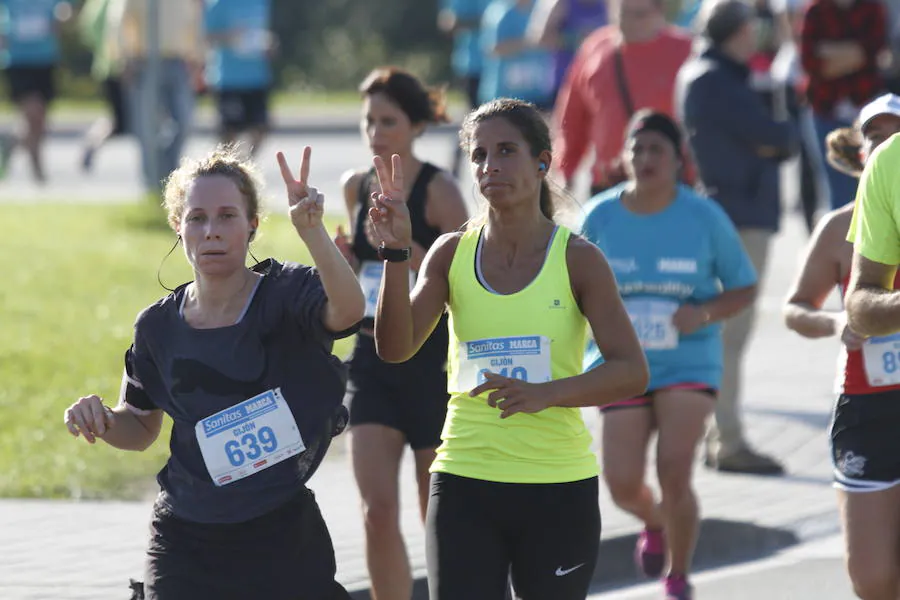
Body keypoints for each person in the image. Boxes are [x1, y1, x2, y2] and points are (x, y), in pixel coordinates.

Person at [370, 97, 650, 599]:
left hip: (557, 486)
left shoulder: (579, 260)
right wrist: (394, 254)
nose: (489, 166)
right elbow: (395, 348)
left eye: (505, 151)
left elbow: (631, 370)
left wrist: (546, 393)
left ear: (542, 161)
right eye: (478, 155)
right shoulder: (450, 253)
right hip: (464, 480)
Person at [62, 145, 364, 600]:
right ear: (177, 227)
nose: (211, 231)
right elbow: (141, 426)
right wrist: (101, 418)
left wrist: (312, 231)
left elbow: (348, 312)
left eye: (227, 216)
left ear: (252, 225)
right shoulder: (156, 326)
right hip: (185, 536)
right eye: (197, 218)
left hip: (279, 529)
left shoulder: (286, 294)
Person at [581, 110, 757, 600]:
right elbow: (570, 282)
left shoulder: (703, 216)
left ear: (678, 160)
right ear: (624, 157)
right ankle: (655, 520)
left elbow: (743, 286)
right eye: (637, 149)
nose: (646, 158)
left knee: (674, 467)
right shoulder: (599, 215)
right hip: (618, 363)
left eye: (657, 149)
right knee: (619, 483)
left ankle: (677, 576)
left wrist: (702, 314)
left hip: (688, 359)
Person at [334, 66, 469, 600]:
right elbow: (352, 280)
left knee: (435, 515)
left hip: (431, 364)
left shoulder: (440, 191)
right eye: (368, 120)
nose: (376, 132)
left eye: (388, 120)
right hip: (370, 361)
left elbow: (464, 279)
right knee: (375, 511)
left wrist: (402, 243)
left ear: (416, 125)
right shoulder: (355, 185)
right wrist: (341, 261)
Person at [676, 0, 798, 475]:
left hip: (730, 208)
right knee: (732, 333)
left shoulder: (705, 73)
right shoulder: (715, 78)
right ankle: (726, 439)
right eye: (750, 29)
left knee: (725, 333)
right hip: (739, 213)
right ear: (734, 31)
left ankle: (718, 436)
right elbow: (778, 137)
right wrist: (779, 124)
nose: (757, 38)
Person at [814, 96, 900, 599]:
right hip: (868, 398)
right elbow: (859, 301)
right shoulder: (887, 169)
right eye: (874, 133)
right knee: (871, 579)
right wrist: (833, 325)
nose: (882, 141)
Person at [552, 0, 692, 195]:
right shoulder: (594, 49)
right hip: (609, 183)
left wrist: (695, 175)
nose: (629, 22)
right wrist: (566, 169)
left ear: (660, 11)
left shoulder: (686, 50)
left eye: (640, 15)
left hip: (668, 184)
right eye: (622, 14)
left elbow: (703, 121)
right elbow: (573, 116)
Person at [112, 0, 204, 192]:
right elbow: (120, 21)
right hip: (144, 62)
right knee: (146, 128)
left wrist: (198, 57)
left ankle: (169, 175)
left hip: (178, 62)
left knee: (184, 122)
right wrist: (124, 57)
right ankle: (152, 184)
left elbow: (194, 21)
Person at [0, 0, 70, 182]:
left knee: (39, 122)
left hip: (45, 59)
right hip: (18, 61)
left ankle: (12, 143)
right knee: (34, 112)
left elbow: (65, 9)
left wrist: (63, 16)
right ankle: (38, 170)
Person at [204, 0, 276, 158]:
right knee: (228, 131)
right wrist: (230, 36)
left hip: (257, 77)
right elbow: (206, 36)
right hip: (228, 79)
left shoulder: (261, 3)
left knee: (261, 127)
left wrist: (269, 45)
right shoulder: (217, 4)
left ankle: (245, 165)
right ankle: (228, 168)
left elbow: (262, 32)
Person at [78, 0, 129, 173]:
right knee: (121, 121)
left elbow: (88, 32)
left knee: (124, 120)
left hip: (109, 66)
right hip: (116, 68)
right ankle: (93, 141)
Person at [525, 0, 608, 104]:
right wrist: (576, 39)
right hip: (564, 84)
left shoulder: (608, 4)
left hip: (598, 84)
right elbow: (539, 38)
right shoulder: (561, 3)